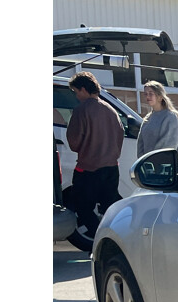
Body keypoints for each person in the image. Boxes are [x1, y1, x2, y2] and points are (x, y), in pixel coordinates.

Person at [65, 71, 124, 240]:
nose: (76, 96)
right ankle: (115, 239)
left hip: (88, 168)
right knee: (109, 207)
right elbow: (120, 136)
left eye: (76, 92)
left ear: (83, 89)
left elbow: (74, 143)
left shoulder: (80, 110)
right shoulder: (111, 110)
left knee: (82, 207)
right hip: (112, 167)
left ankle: (99, 237)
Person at [137, 80, 178, 156]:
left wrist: (153, 159)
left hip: (165, 164)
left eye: (151, 94)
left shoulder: (170, 117)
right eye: (145, 94)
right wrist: (142, 160)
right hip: (147, 165)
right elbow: (140, 143)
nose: (147, 96)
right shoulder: (148, 118)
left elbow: (168, 146)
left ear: (160, 97)